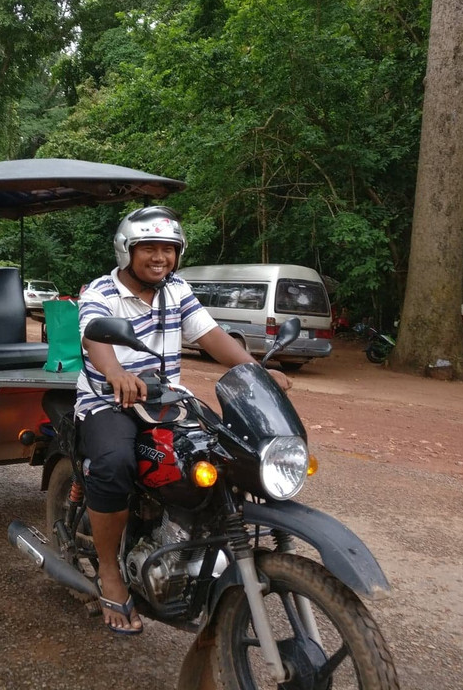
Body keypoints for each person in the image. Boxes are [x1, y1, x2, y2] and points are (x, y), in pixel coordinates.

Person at [75, 206, 291, 635]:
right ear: (127, 251)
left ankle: (194, 543)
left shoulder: (178, 290)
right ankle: (110, 573)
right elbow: (94, 335)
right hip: (107, 401)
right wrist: (117, 372)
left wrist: (257, 372)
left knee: (228, 451)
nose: (160, 257)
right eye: (149, 248)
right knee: (114, 466)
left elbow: (211, 337)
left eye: (168, 249)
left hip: (167, 400)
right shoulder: (101, 291)